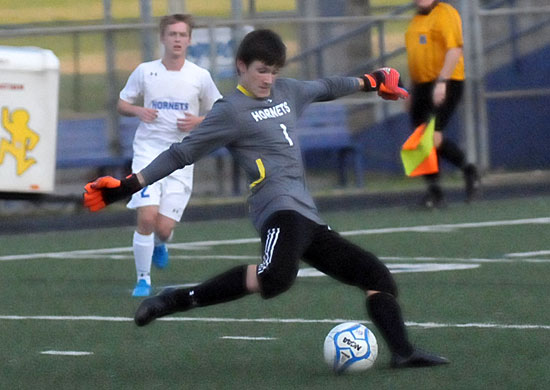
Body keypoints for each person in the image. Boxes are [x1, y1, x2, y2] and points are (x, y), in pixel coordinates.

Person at [84, 29, 449, 368]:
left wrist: (371, 81)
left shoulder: (286, 91)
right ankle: (176, 298)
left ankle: (403, 352)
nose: (267, 79)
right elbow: (182, 153)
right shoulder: (230, 110)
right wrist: (130, 185)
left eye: (273, 71)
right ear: (241, 66)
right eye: (261, 70)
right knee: (276, 278)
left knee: (377, 275)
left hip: (308, 216)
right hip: (277, 209)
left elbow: (325, 86)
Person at [117, 14, 222, 296]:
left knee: (163, 229)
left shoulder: (199, 76)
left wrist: (196, 122)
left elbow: (219, 111)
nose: (177, 39)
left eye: (182, 35)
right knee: (147, 218)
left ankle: (161, 244)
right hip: (148, 153)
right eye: (172, 34)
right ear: (163, 38)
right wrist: (140, 111)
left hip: (182, 157)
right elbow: (122, 102)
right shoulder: (145, 71)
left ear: (189, 40)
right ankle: (143, 280)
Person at [405, 0, 479, 208]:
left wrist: (443, 82)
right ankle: (435, 191)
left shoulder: (445, 13)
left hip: (446, 82)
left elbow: (454, 50)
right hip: (422, 85)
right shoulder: (416, 20)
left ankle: (468, 170)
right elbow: (416, 57)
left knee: (432, 136)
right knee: (421, 140)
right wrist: (412, 89)